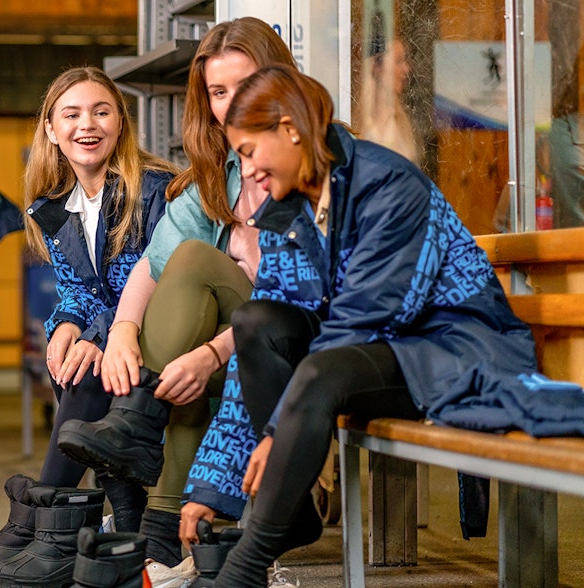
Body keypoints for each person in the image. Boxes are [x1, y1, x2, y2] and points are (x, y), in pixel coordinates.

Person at [184, 64, 536, 586]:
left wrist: (279, 431)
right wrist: (214, 484)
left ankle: (245, 568)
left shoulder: (387, 183)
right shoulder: (288, 209)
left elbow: (365, 317)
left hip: (453, 351)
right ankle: (292, 511)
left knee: (321, 371)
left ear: (290, 128)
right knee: (256, 320)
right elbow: (264, 337)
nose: (249, 170)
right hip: (373, 355)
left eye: (250, 151)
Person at [54, 18, 295, 567]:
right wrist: (120, 334)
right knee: (177, 312)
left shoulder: (316, 157)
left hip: (299, 329)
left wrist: (212, 352)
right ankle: (160, 531)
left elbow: (305, 297)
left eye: (248, 83)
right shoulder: (220, 171)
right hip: (240, 328)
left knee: (194, 266)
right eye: (218, 91)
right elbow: (149, 266)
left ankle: (133, 448)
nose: (234, 104)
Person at [0, 67, 177, 583]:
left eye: (102, 112)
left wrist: (95, 332)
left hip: (164, 329)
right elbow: (79, 290)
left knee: (85, 366)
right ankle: (116, 525)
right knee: (70, 354)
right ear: (51, 130)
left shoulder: (153, 191)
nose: (88, 124)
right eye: (71, 114)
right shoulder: (53, 207)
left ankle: (46, 520)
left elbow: (157, 283)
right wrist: (64, 324)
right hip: (116, 335)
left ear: (120, 124)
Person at [355, 37, 422, 167]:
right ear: (376, 67)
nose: (406, 69)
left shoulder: (403, 122)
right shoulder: (362, 125)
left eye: (405, 60)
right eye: (398, 61)